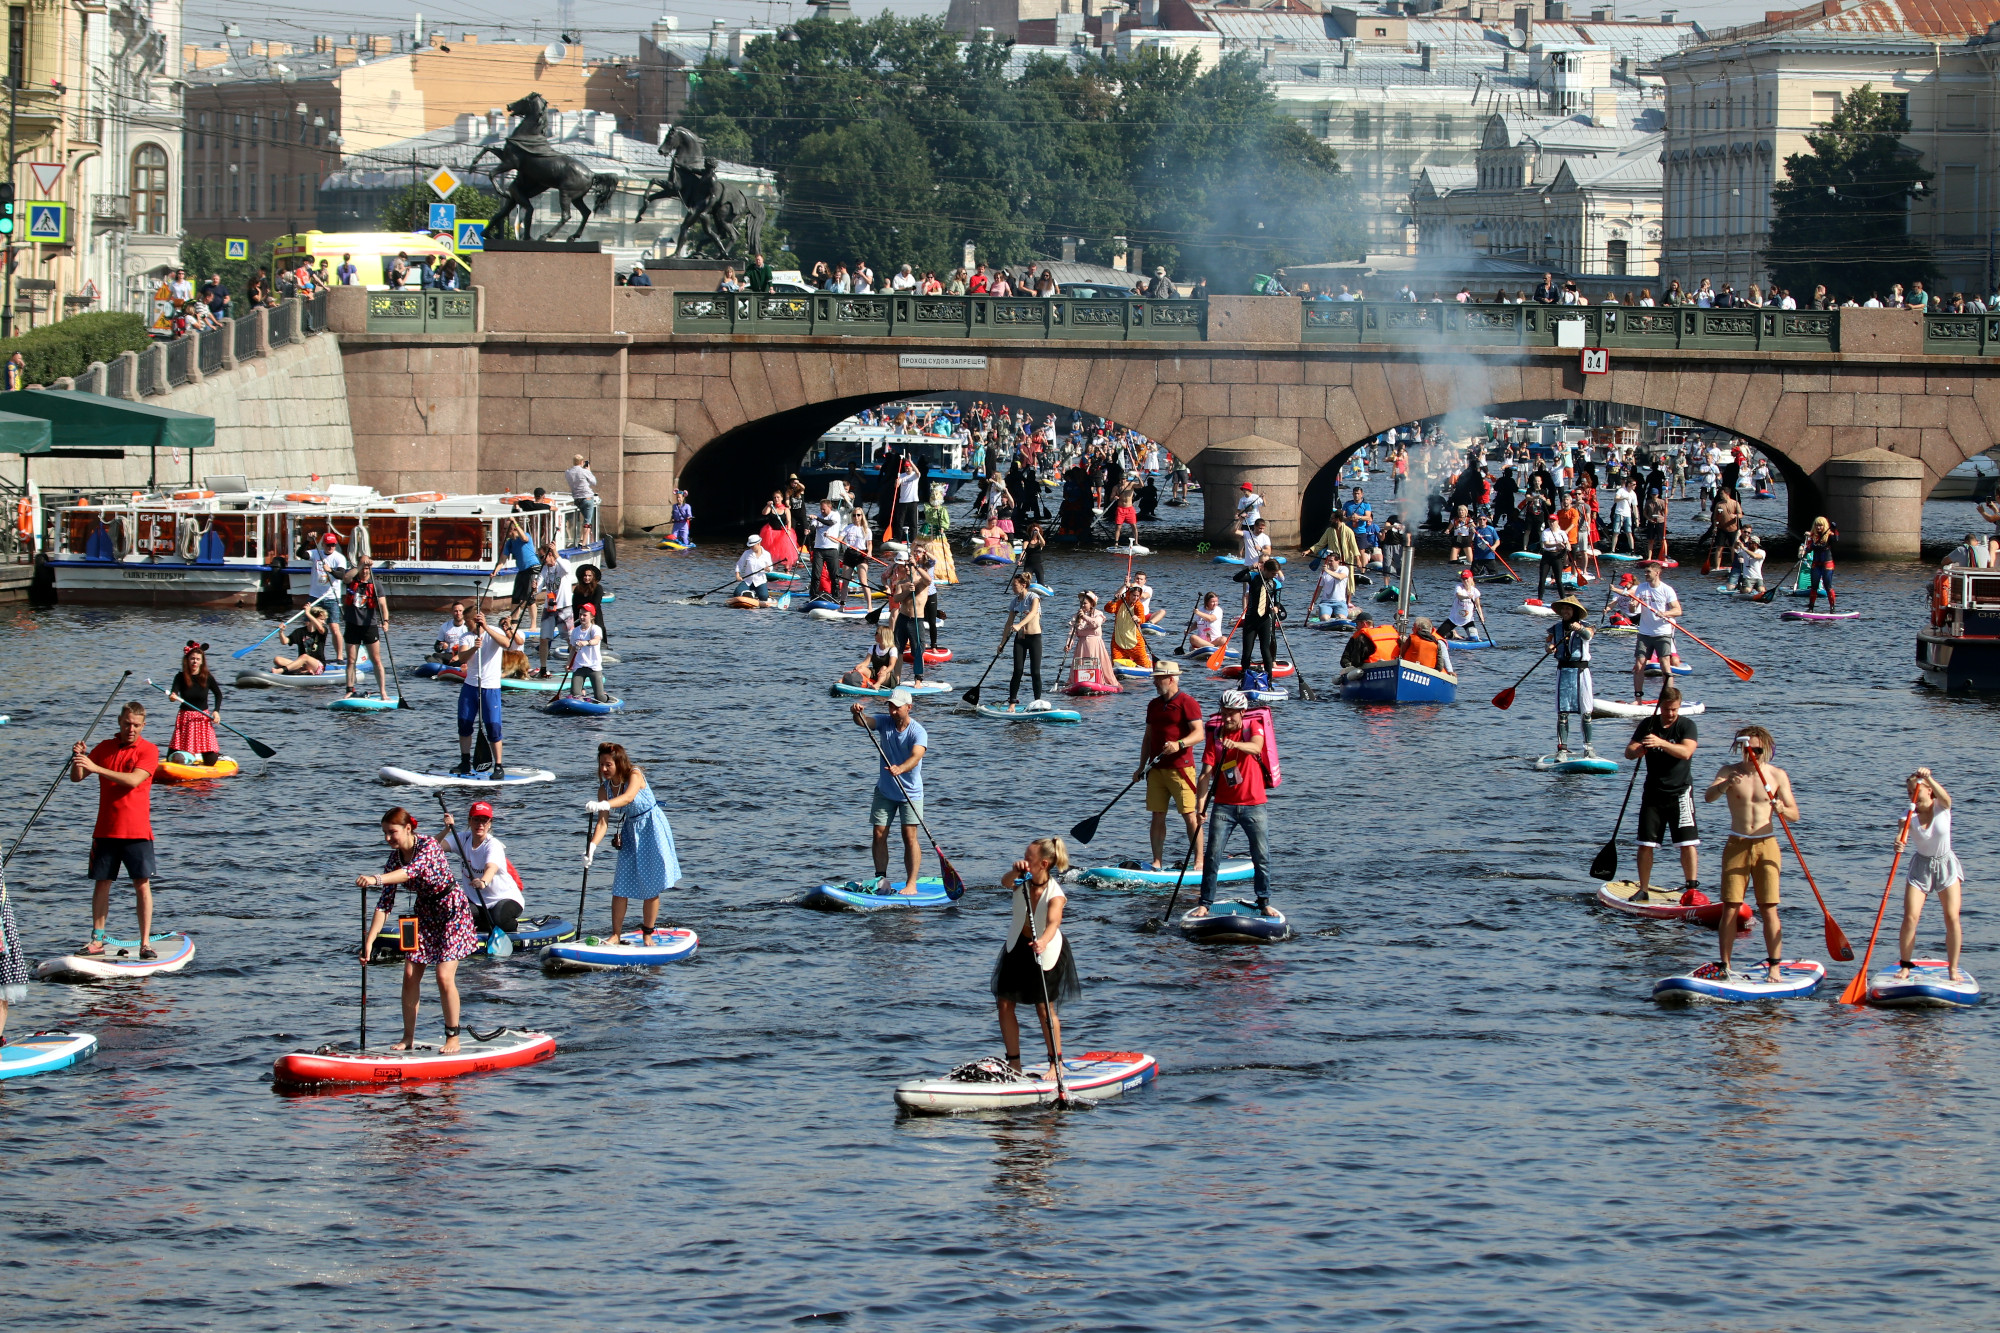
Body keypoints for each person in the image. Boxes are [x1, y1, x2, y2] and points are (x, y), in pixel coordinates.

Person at [357, 807, 478, 1053]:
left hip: (451, 910)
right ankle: (408, 1037)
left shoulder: (429, 846)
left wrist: (375, 879)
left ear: (408, 829)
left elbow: (410, 873)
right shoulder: (393, 859)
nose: (388, 839)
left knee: (444, 976)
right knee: (410, 974)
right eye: (385, 833)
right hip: (424, 914)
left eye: (392, 833)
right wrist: (369, 941)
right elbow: (384, 905)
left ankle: (453, 1037)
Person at [1703, 726, 1798, 983]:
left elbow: (1795, 814)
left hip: (1766, 843)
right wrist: (1725, 786)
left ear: (1766, 749)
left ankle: (1774, 966)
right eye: (1747, 749)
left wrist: (1781, 809)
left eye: (1756, 750)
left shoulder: (1777, 775)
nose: (1751, 754)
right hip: (1737, 843)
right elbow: (1708, 797)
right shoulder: (1728, 771)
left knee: (1769, 908)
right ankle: (1724, 965)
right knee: (1730, 907)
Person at [70, 701, 159, 957]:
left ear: (143, 725)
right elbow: (77, 777)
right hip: (105, 829)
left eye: (136, 725)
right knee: (102, 883)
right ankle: (96, 940)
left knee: (141, 884)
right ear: (119, 722)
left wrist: (95, 767)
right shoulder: (104, 748)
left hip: (136, 831)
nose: (131, 729)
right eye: (127, 723)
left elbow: (133, 781)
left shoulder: (149, 750)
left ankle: (145, 944)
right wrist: (79, 759)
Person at [992, 837, 1080, 1072]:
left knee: (1044, 1009)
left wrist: (1042, 941)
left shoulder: (1055, 894)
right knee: (1004, 1004)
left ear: (1043, 863)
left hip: (1047, 950)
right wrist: (1014, 871)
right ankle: (1014, 1063)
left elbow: (1054, 923)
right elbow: (1004, 882)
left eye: (1028, 859)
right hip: (1017, 946)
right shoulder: (1021, 881)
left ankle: (1056, 1064)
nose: (1024, 861)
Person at [585, 742, 682, 941]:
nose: (603, 769)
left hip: (651, 827)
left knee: (651, 885)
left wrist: (604, 804)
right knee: (620, 885)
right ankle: (615, 935)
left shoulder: (634, 775)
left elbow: (628, 798)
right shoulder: (604, 789)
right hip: (631, 830)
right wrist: (591, 847)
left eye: (608, 765)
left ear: (619, 763)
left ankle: (648, 934)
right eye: (601, 764)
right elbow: (603, 824)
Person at [1194, 690, 1274, 917]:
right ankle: (1205, 903)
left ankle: (1264, 901)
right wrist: (1200, 808)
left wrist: (1236, 745)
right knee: (1212, 855)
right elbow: (1205, 774)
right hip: (1223, 806)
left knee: (1261, 855)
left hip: (1254, 804)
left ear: (1242, 712)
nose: (1228, 718)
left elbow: (1256, 747)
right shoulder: (1215, 735)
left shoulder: (1252, 728)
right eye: (1224, 713)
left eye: (1232, 714)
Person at [1623, 686, 1700, 899]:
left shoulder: (1687, 725)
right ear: (1660, 706)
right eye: (1667, 709)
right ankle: (1644, 890)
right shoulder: (1648, 725)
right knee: (1645, 844)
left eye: (1675, 709)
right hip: (1653, 793)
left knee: (1687, 843)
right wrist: (1638, 751)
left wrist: (1661, 743)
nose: (1671, 714)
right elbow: (1628, 752)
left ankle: (1692, 888)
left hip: (1681, 792)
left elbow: (1686, 752)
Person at [848, 690, 928, 894]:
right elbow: (864, 722)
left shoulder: (918, 732)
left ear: (908, 707)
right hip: (885, 790)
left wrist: (900, 768)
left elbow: (916, 756)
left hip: (910, 792)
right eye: (890, 706)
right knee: (878, 833)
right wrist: (857, 713)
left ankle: (911, 884)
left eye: (897, 707)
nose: (892, 711)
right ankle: (880, 879)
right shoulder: (885, 722)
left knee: (909, 836)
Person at [1895, 769, 1964, 981]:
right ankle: (1906, 966)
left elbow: (1946, 797)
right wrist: (1899, 842)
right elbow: (1902, 835)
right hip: (1921, 867)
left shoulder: (1942, 806)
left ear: (1928, 790)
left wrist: (1928, 778)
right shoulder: (1909, 817)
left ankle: (1952, 969)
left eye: (1915, 790)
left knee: (1952, 917)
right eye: (1908, 792)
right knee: (1910, 917)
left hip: (1946, 864)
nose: (1911, 795)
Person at [1137, 660, 1204, 871]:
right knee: (1157, 815)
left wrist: (1179, 744)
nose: (1155, 682)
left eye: (1159, 678)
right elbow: (1147, 738)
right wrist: (1140, 767)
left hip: (1181, 769)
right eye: (1155, 678)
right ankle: (1157, 861)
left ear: (1171, 679)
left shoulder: (1187, 702)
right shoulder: (1153, 705)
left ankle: (1199, 860)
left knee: (1189, 815)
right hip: (1156, 770)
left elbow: (1199, 734)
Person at [440, 801, 526, 935]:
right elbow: (432, 848)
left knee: (498, 919)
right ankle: (483, 923)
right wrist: (446, 830)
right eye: (476, 820)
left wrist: (483, 882)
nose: (480, 824)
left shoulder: (493, 845)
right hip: (477, 901)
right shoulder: (462, 839)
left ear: (490, 823)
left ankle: (511, 926)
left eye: (484, 820)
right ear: (469, 821)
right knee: (451, 914)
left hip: (505, 898)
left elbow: (491, 867)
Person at [455, 610, 522, 778]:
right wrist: (473, 648)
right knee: (464, 723)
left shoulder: (495, 631)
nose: (468, 625)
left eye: (470, 622)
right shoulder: (466, 637)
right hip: (470, 686)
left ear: (477, 620)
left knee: (493, 725)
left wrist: (486, 628)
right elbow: (461, 657)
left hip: (490, 687)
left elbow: (507, 644)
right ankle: (465, 762)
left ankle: (498, 766)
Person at [1617, 561, 1682, 702]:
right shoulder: (1641, 587)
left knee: (1665, 665)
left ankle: (1668, 698)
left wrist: (1665, 613)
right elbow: (1634, 608)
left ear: (1657, 573)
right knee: (1640, 664)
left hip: (1662, 633)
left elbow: (1678, 610)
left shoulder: (1667, 590)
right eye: (1645, 572)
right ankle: (1638, 698)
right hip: (1644, 633)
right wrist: (1633, 605)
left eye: (1648, 572)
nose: (1645, 574)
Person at [1547, 595, 1597, 757]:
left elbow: (1588, 636)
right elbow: (1548, 642)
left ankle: (1588, 748)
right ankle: (1562, 749)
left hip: (1581, 672)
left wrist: (1579, 629)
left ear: (1574, 611)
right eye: (1563, 609)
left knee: (1586, 712)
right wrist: (1550, 647)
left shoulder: (1587, 626)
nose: (1565, 611)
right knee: (1562, 713)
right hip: (1564, 672)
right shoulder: (1556, 628)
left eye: (1568, 608)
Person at [337, 556, 392, 702]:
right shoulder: (352, 580)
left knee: (376, 660)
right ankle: (350, 690)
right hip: (352, 624)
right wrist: (360, 566)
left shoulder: (376, 584)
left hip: (369, 626)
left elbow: (383, 606)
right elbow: (345, 578)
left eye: (367, 569)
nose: (365, 571)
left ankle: (383, 692)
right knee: (351, 660)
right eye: (363, 568)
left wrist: (385, 621)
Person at [164, 642, 224, 765]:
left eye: (197, 659)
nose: (194, 662)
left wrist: (216, 711)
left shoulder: (207, 677)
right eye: (192, 659)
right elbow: (173, 694)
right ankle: (184, 756)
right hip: (185, 718)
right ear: (187, 660)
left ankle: (210, 756)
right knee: (172, 757)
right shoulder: (180, 677)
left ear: (202, 661)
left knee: (211, 761)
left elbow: (218, 694)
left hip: (203, 718)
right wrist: (173, 697)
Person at [885, 543, 933, 686]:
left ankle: (918, 680)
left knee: (918, 650)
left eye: (909, 566)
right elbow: (896, 599)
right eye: (904, 566)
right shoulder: (901, 583)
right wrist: (908, 592)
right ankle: (897, 678)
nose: (906, 568)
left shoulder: (921, 581)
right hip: (903, 619)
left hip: (917, 620)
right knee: (897, 649)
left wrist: (916, 566)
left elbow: (929, 580)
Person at [1233, 557, 1282, 682]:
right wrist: (1249, 568)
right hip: (1251, 620)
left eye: (1275, 574)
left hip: (1265, 620)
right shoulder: (1253, 576)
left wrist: (1276, 608)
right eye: (1272, 573)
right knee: (1247, 650)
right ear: (1265, 569)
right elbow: (1236, 578)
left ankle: (1269, 677)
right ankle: (1243, 676)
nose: (1274, 576)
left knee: (1265, 649)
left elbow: (1277, 602)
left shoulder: (1276, 584)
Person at [1001, 571, 1045, 708]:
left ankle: (1037, 702)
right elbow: (1009, 623)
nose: (1013, 587)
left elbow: (1032, 613)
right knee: (1017, 671)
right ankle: (1012, 704)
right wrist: (1002, 643)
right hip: (1020, 639)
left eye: (1015, 585)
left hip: (1034, 638)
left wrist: (1019, 625)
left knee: (1035, 672)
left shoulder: (1034, 597)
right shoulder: (1014, 602)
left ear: (1023, 585)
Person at [532, 546, 576, 678]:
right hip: (549, 609)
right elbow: (539, 588)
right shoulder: (544, 569)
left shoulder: (563, 564)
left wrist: (556, 553)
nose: (541, 560)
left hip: (564, 608)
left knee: (570, 639)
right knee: (544, 639)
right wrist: (534, 588)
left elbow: (566, 569)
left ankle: (572, 665)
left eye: (542, 556)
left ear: (549, 554)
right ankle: (543, 668)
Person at [309, 532, 348, 659]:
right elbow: (300, 554)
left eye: (333, 545)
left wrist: (330, 570)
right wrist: (308, 540)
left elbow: (342, 576)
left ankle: (339, 657)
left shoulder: (339, 558)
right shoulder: (316, 553)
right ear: (323, 545)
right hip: (315, 596)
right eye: (328, 545)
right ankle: (311, 655)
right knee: (310, 627)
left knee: (334, 627)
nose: (330, 547)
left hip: (331, 597)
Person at [491, 518, 541, 619]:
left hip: (533, 568)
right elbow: (502, 560)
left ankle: (533, 625)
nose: (504, 531)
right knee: (516, 597)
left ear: (513, 529)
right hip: (522, 570)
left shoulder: (525, 535)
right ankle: (513, 623)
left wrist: (515, 523)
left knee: (529, 597)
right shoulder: (509, 543)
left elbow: (524, 539)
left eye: (506, 529)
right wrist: (495, 572)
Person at [566, 604, 610, 702]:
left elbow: (596, 640)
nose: (581, 617)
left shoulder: (595, 629)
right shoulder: (575, 631)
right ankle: (582, 694)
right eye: (580, 614)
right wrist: (568, 664)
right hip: (579, 666)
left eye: (585, 615)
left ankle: (606, 696)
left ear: (591, 616)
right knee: (575, 695)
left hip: (593, 666)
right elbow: (573, 649)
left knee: (600, 697)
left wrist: (586, 642)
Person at [274, 604, 332, 675]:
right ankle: (303, 671)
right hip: (303, 665)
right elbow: (285, 641)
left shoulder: (323, 631)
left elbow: (320, 628)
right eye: (321, 619)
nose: (324, 622)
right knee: (277, 660)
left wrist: (308, 613)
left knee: (304, 657)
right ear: (313, 619)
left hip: (318, 666)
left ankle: (281, 670)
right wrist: (281, 632)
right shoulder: (300, 631)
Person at [1803, 515, 1840, 613]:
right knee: (1814, 586)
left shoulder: (1829, 535)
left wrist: (1835, 529)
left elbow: (1836, 539)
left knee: (1828, 586)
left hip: (1827, 564)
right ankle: (1811, 607)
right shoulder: (1812, 537)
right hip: (1816, 564)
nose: (1819, 528)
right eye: (1817, 525)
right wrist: (1807, 549)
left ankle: (1832, 608)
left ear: (1824, 526)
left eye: (1821, 526)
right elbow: (1809, 548)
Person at [1442, 568, 1482, 640]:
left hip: (1468, 620)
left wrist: (1481, 616)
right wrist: (1467, 597)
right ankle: (1452, 634)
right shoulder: (1459, 587)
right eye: (1463, 579)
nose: (1465, 581)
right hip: (1454, 618)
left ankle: (1460, 637)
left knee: (1474, 638)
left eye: (1467, 578)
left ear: (1471, 578)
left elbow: (1478, 605)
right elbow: (1459, 596)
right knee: (1438, 636)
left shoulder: (1475, 591)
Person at [565, 454, 599, 539]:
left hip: (576, 498)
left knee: (577, 520)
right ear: (582, 462)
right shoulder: (585, 471)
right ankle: (583, 542)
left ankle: (574, 538)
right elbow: (594, 482)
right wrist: (589, 471)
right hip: (587, 497)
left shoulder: (568, 472)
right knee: (587, 521)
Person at [735, 533, 775, 602]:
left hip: (760, 581)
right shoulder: (746, 553)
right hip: (748, 581)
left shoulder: (766, 554)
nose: (751, 548)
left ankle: (756, 595)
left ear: (759, 544)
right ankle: (749, 594)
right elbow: (739, 564)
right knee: (737, 593)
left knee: (764, 597)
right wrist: (738, 575)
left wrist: (768, 569)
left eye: (753, 546)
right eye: (750, 546)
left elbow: (771, 567)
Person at [1310, 556, 1350, 624]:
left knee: (1342, 619)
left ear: (1338, 561)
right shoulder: (1323, 573)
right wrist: (1312, 603)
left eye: (1331, 561)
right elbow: (1318, 590)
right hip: (1326, 602)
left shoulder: (1344, 569)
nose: (1329, 563)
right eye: (1328, 561)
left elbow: (1340, 577)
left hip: (1340, 602)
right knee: (1325, 619)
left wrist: (1327, 571)